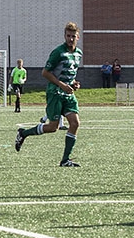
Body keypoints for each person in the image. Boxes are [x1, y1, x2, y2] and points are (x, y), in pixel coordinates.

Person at [14, 22, 83, 167]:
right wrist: (62, 85)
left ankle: (65, 160)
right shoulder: (58, 52)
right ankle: (23, 133)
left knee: (75, 123)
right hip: (55, 92)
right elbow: (45, 73)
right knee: (52, 127)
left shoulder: (78, 53)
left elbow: (69, 74)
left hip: (67, 94)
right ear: (65, 36)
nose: (70, 39)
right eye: (68, 36)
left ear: (78, 37)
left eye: (73, 36)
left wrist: (74, 83)